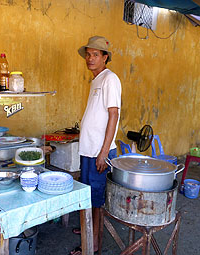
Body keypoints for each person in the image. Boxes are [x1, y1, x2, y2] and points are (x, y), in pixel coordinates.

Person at [70, 36, 121, 255]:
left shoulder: (110, 79)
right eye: (88, 55)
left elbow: (114, 116)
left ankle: (92, 248)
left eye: (95, 55)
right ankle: (87, 231)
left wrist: (103, 153)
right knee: (89, 197)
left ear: (105, 57)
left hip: (99, 153)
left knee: (97, 202)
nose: (90, 59)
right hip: (89, 151)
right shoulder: (96, 80)